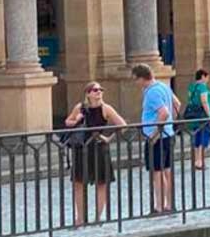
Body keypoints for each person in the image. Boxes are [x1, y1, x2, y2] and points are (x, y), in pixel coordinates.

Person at [63, 82, 126, 226]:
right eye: (95, 90)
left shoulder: (106, 108)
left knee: (101, 183)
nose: (98, 92)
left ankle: (98, 217)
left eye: (100, 90)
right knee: (78, 183)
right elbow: (68, 122)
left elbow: (122, 124)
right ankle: (80, 218)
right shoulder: (80, 108)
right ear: (88, 93)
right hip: (82, 148)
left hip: (99, 149)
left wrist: (108, 137)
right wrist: (77, 120)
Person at [134, 63, 178, 213]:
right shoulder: (164, 86)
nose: (136, 84)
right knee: (166, 170)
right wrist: (171, 125)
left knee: (157, 172)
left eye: (136, 80)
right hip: (168, 133)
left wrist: (154, 134)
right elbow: (176, 104)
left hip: (158, 137)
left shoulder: (151, 92)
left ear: (141, 78)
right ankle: (169, 204)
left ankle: (159, 206)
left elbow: (164, 112)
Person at [185, 69, 210, 170]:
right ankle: (200, 161)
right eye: (207, 77)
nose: (207, 80)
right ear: (203, 76)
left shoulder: (192, 86)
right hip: (202, 116)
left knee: (196, 137)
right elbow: (204, 101)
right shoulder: (202, 87)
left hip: (194, 116)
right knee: (204, 137)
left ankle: (196, 160)